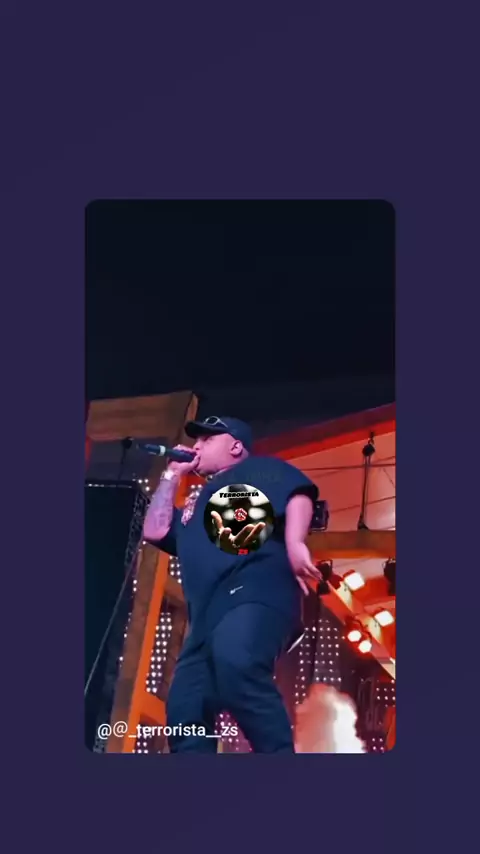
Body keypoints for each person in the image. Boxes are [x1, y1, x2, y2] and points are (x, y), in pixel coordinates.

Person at [143, 415, 322, 753]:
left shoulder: (255, 471)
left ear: (236, 446)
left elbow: (297, 493)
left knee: (237, 660)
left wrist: (295, 541)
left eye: (207, 439)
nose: (196, 446)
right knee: (185, 706)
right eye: (196, 440)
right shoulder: (197, 502)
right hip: (206, 617)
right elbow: (155, 531)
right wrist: (172, 474)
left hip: (254, 592)